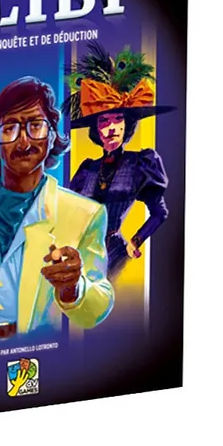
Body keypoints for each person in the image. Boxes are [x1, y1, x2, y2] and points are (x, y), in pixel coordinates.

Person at [0, 76, 114, 343]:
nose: (24, 141)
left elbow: (97, 309)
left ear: (52, 135)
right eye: (10, 129)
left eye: (36, 126)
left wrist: (74, 289)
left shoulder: (85, 216)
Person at [63, 43, 174, 280]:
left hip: (116, 255)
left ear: (126, 125)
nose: (111, 128)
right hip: (81, 255)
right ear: (96, 130)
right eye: (104, 122)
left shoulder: (140, 164)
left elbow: (159, 212)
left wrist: (137, 240)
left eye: (117, 120)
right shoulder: (87, 169)